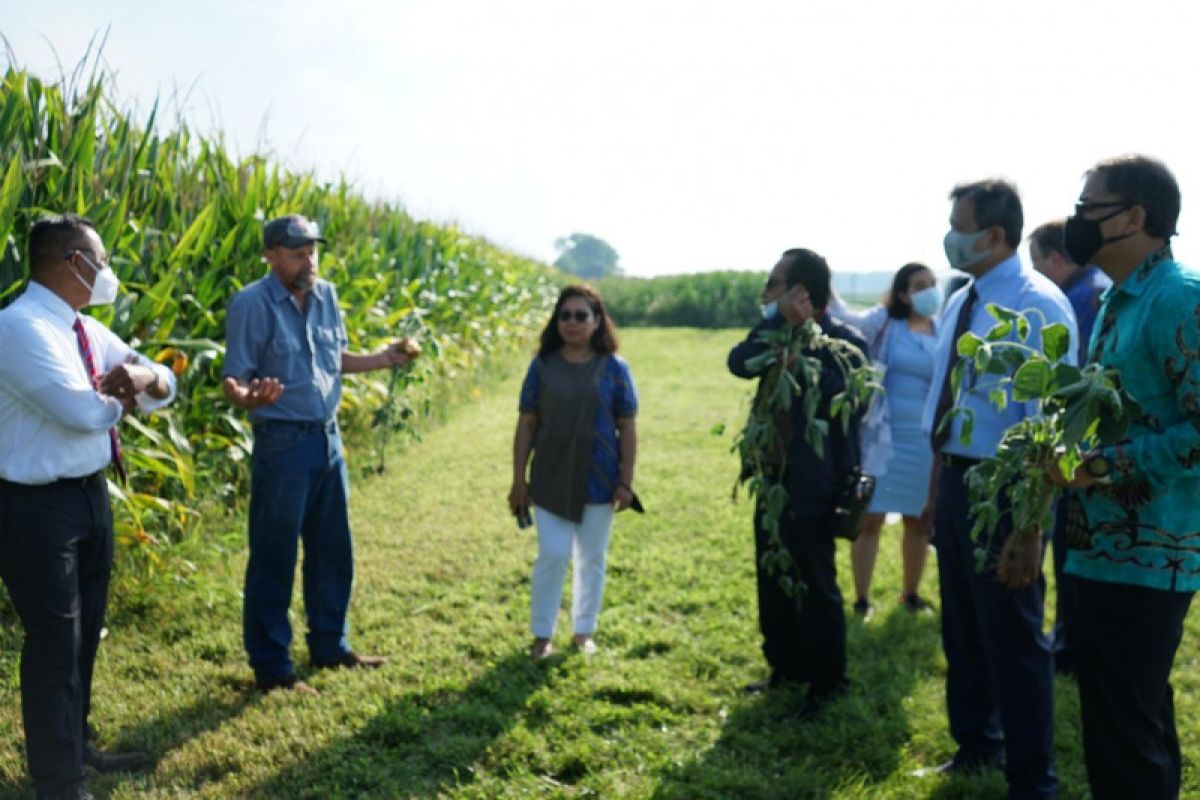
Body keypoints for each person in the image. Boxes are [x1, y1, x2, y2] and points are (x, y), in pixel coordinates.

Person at [0, 214, 175, 800]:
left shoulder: (85, 328)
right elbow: (80, 414)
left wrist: (137, 379)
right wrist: (125, 394)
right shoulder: (20, 328)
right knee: (54, 643)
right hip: (34, 507)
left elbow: (164, 384)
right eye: (99, 259)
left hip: (89, 495)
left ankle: (78, 745)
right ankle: (58, 781)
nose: (106, 271)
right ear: (72, 262)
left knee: (84, 634)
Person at [918, 180, 1076, 798]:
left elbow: (1047, 425)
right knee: (962, 628)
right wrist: (935, 494)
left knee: (1013, 637)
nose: (950, 235)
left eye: (960, 224)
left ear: (994, 236)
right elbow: (947, 405)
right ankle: (977, 745)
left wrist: (1030, 525)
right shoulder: (963, 299)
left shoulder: (1038, 305)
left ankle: (1032, 779)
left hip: (1008, 490)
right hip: (958, 482)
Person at [1050, 155, 1199, 800]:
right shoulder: (1116, 299)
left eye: (1090, 208)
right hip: (1099, 547)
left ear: (1136, 217)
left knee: (1124, 735)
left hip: (1152, 553)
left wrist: (1107, 466)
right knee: (1128, 719)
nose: (1076, 221)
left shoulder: (1181, 299)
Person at [222, 214, 419, 695]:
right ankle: (273, 668)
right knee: (274, 557)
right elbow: (235, 379)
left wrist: (384, 357)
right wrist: (248, 397)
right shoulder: (251, 303)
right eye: (295, 252)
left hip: (328, 441)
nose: (307, 260)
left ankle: (330, 646)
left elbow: (333, 360)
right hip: (282, 444)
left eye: (311, 250)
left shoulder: (326, 295)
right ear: (270, 255)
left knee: (333, 551)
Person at [728, 248, 868, 720]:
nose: (765, 293)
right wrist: (780, 328)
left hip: (814, 486)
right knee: (773, 575)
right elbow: (738, 362)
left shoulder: (842, 342)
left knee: (814, 583)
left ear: (800, 291)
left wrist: (802, 341)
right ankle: (784, 666)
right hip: (773, 481)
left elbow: (841, 401)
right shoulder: (770, 333)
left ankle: (827, 682)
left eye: (773, 284)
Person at [508, 285, 638, 660]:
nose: (572, 322)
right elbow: (527, 423)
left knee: (592, 558)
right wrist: (519, 480)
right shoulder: (543, 365)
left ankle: (583, 631)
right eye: (565, 315)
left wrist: (625, 481)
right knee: (552, 553)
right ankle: (541, 634)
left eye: (581, 315)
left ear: (597, 321)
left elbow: (627, 426)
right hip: (549, 476)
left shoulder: (614, 368)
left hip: (599, 478)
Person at [829, 262, 941, 619]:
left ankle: (911, 594)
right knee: (871, 517)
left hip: (923, 440)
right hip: (883, 437)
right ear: (904, 293)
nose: (929, 291)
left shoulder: (941, 329)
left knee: (917, 521)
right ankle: (862, 599)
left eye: (932, 284)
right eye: (920, 285)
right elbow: (845, 318)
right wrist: (826, 283)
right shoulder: (884, 324)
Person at [1028, 220, 1112, 675]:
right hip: (1085, 450)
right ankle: (1068, 643)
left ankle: (1069, 649)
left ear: (1055, 260)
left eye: (1036, 262)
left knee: (1069, 549)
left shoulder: (1082, 299)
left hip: (1082, 451)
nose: (1035, 272)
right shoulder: (1092, 289)